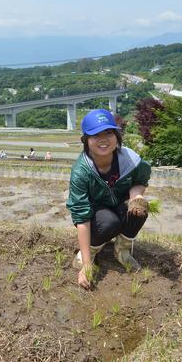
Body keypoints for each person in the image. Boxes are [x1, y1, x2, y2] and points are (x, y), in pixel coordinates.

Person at [66, 109, 151, 290]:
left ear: (116, 136)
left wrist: (136, 196)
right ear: (86, 140)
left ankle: (122, 250)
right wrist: (87, 264)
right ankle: (88, 252)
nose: (103, 139)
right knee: (108, 223)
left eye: (108, 133)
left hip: (119, 203)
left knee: (139, 211)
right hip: (96, 213)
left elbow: (139, 181)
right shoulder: (81, 172)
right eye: (96, 135)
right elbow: (81, 218)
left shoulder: (130, 160)